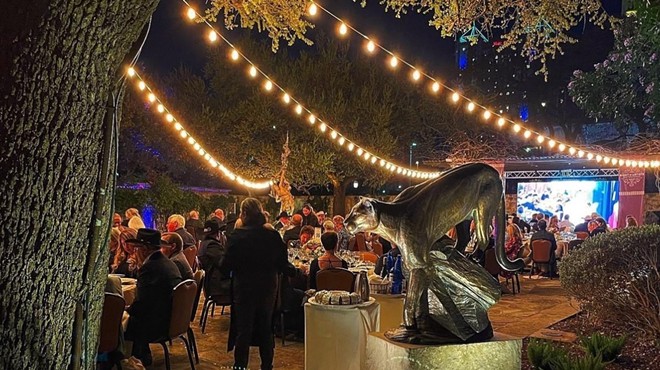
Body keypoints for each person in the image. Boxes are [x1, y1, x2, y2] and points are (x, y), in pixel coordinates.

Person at [219, 198, 298, 370]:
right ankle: (267, 366)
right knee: (265, 327)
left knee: (243, 329)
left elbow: (225, 267)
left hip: (244, 288)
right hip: (267, 288)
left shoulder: (236, 237)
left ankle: (240, 366)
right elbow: (282, 264)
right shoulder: (272, 236)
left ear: (244, 214)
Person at [124, 229, 182, 366]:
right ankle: (144, 354)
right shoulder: (168, 263)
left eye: (136, 248)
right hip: (171, 320)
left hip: (158, 326)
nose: (134, 252)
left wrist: (125, 310)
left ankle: (126, 362)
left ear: (144, 249)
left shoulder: (149, 268)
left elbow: (141, 306)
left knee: (119, 323)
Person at [197, 219, 231, 300]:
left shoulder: (204, 244)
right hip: (218, 287)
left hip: (211, 285)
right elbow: (224, 264)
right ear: (217, 233)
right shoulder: (212, 246)